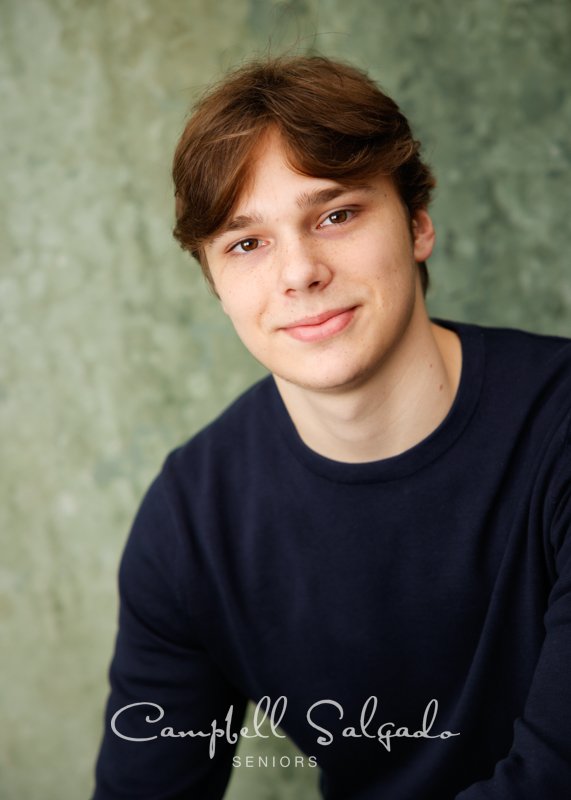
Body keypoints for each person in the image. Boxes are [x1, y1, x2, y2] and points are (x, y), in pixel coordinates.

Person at [92, 55, 571, 799]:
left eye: (336, 215)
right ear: (214, 282)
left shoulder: (559, 429)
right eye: (246, 243)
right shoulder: (192, 521)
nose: (299, 272)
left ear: (416, 224)